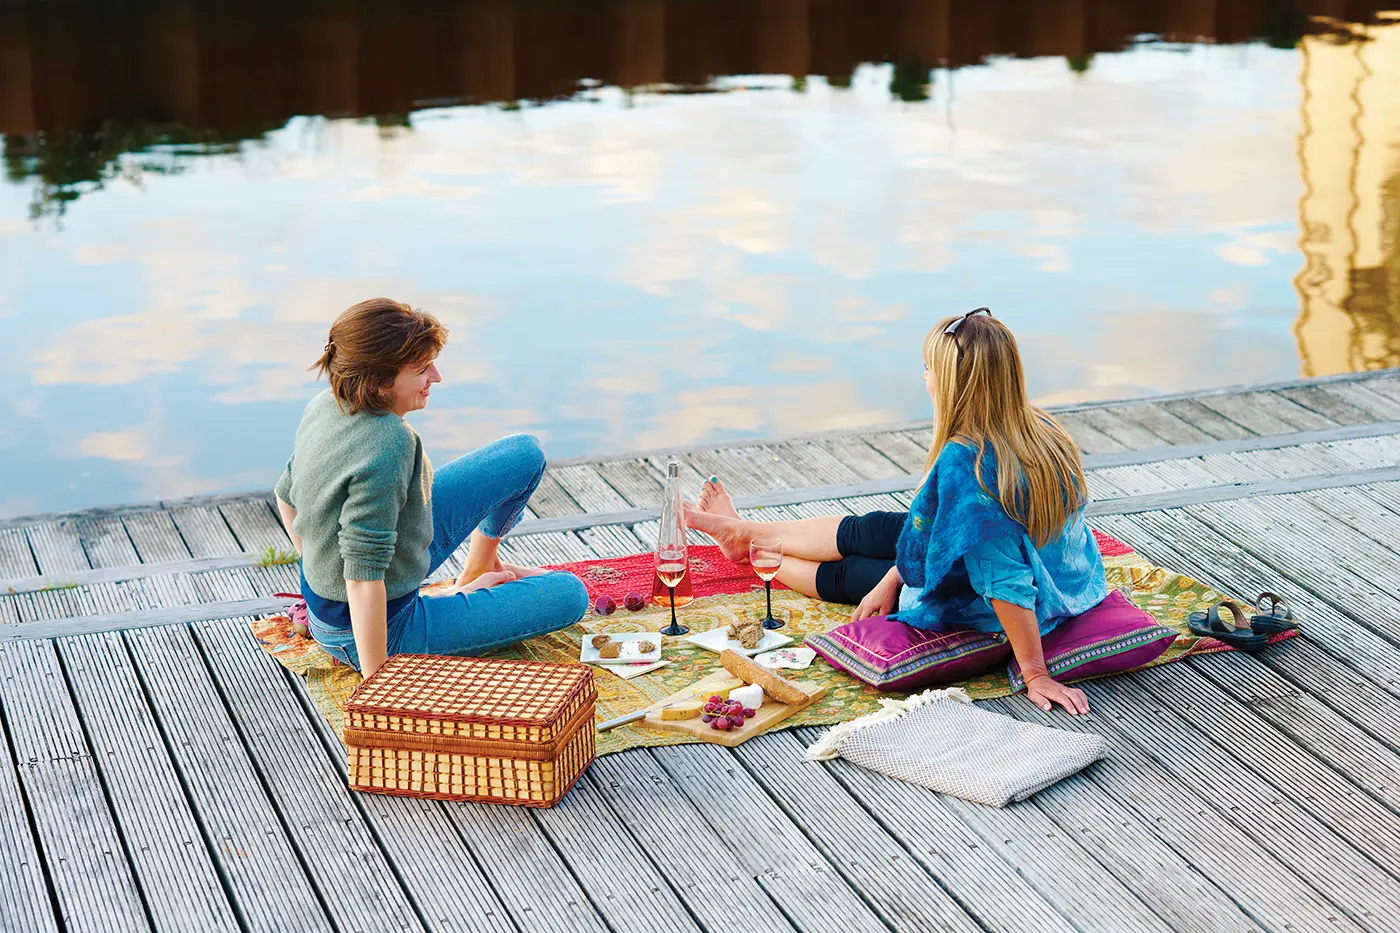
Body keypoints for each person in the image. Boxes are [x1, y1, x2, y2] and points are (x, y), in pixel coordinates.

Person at [684, 308, 1106, 715]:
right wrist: (897, 571)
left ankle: (753, 555)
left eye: (928, 367)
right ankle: (745, 531)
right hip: (1066, 575)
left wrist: (1034, 673)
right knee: (878, 529)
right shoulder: (1040, 427)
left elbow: (1004, 579)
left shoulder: (966, 465)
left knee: (855, 574)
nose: (923, 375)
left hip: (994, 599)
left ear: (952, 383)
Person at [274, 297, 589, 678]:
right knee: (570, 594)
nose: (436, 377)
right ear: (379, 382)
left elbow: (284, 495)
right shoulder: (389, 443)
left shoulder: (327, 403)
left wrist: (319, 570)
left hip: (375, 578)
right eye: (423, 369)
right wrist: (378, 680)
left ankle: (476, 570)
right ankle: (459, 597)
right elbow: (360, 577)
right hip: (379, 631)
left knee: (523, 454)